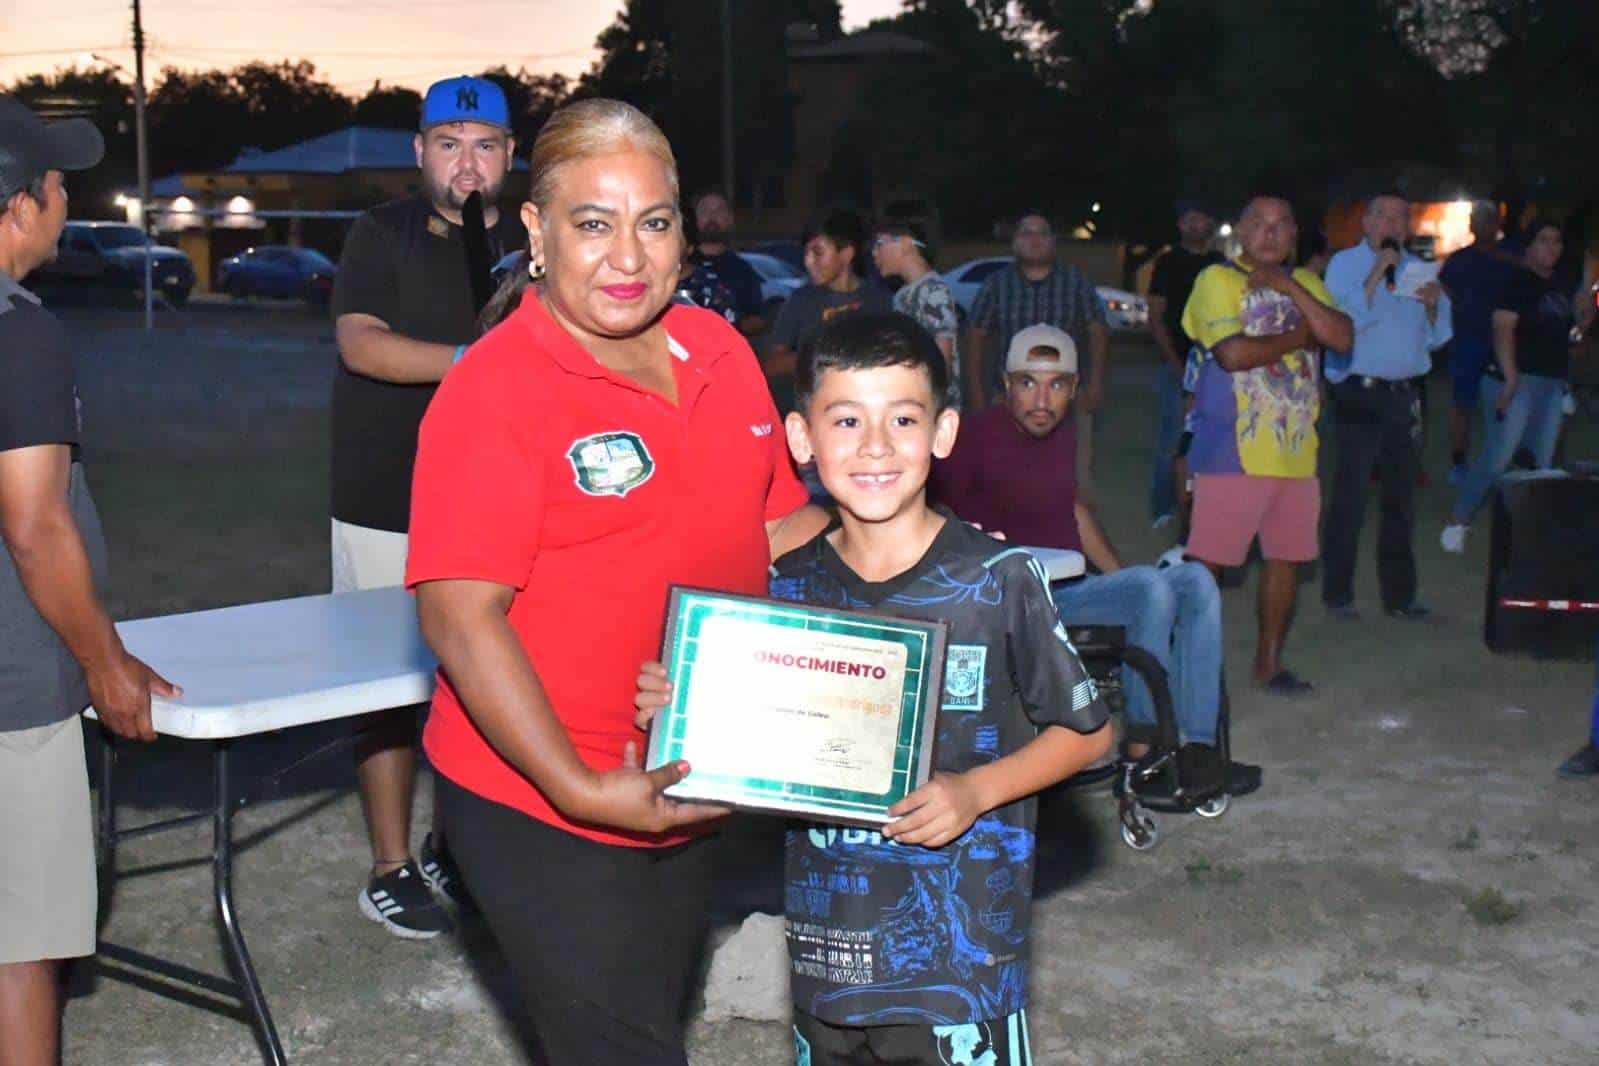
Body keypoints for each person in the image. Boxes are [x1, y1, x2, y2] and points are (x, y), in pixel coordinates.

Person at [406, 99, 827, 1065]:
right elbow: (460, 617)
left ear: (685, 228)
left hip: (687, 769)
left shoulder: (718, 351)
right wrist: (582, 788)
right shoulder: (495, 389)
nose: (627, 255)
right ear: (537, 233)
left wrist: (916, 563)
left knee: (641, 1005)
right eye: (593, 223)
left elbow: (778, 525)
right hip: (542, 800)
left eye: (654, 220)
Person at [634, 310, 1111, 1064]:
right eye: (847, 420)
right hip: (831, 955)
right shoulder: (785, 591)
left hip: (964, 969)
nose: (876, 446)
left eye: (903, 418)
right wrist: (685, 709)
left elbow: (1087, 733)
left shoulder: (995, 579)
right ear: (801, 440)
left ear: (943, 432)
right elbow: (754, 760)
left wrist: (976, 792)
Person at [0, 95, 176, 1066]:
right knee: (21, 949)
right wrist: (103, 661)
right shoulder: (20, 334)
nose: (68, 199)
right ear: (19, 206)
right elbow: (34, 526)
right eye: (60, 183)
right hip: (13, 694)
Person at [329, 75, 526, 936]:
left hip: (495, 502)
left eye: (485, 146)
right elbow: (361, 345)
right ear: (420, 153)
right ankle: (388, 862)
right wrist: (470, 361)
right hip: (385, 496)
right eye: (449, 144)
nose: (467, 164)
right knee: (385, 685)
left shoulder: (528, 245)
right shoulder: (383, 232)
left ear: (510, 157)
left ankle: (459, 846)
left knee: (481, 675)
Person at [932, 324, 1249, 794]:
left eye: (1057, 384)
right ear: (1005, 383)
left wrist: (1128, 580)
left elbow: (1074, 512)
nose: (1042, 400)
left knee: (1195, 580)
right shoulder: (972, 437)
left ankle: (1199, 750)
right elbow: (932, 513)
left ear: (1075, 388)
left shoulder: (1061, 434)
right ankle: (1144, 751)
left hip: (1070, 587)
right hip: (1017, 598)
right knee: (1150, 588)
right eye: (1028, 383)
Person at [1180, 194, 1353, 693]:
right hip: (1231, 447)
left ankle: (1269, 663)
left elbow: (1340, 337)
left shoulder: (1309, 283)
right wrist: (1300, 337)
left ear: (1295, 235)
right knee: (1207, 565)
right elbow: (1233, 354)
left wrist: (1286, 287)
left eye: (1282, 225)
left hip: (1296, 451)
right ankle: (1190, 665)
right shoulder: (1216, 280)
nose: (1270, 234)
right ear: (1241, 230)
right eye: (1259, 224)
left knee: (1287, 560)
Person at [1320, 192, 1451, 621]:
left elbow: (1437, 338)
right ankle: (1338, 595)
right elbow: (1343, 323)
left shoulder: (1419, 269)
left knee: (1401, 499)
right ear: (1368, 223)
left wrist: (1433, 307)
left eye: (1401, 217)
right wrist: (1376, 274)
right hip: (1360, 392)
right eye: (1384, 216)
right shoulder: (1344, 265)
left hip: (1405, 396)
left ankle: (1400, 597)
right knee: (1350, 497)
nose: (1393, 224)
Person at [1441, 219, 1575, 553]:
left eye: (1556, 241)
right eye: (1544, 240)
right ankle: (1459, 521)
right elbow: (1503, 329)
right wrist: (1511, 376)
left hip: (1550, 381)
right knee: (1499, 455)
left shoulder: (1559, 286)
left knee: (1540, 462)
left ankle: (1528, 537)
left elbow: (1564, 335)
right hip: (1513, 380)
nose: (1551, 248)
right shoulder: (1516, 282)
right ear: (1528, 247)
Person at [963, 211, 1109, 499]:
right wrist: (978, 395)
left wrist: (1094, 385)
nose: (1034, 240)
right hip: (1007, 396)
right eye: (1025, 233)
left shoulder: (1075, 281)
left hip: (1067, 396)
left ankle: (1072, 535)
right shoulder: (997, 284)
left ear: (1053, 241)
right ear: (1014, 242)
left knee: (1074, 477)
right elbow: (974, 337)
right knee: (1006, 479)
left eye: (1041, 233)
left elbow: (1098, 330)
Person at [765, 207, 892, 413]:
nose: (808, 262)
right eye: (805, 253)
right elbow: (773, 364)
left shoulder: (879, 301)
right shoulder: (800, 301)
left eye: (818, 252)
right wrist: (824, 355)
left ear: (847, 253)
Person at [1147, 203, 1223, 528]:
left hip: (1218, 366)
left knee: (1213, 440)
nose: (1195, 224)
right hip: (1175, 363)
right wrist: (1176, 364)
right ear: (1180, 225)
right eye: (1189, 219)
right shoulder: (1166, 263)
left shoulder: (1220, 265)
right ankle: (1164, 506)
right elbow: (1155, 316)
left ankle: (1207, 507)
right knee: (1173, 439)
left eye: (1201, 217)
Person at [1439, 201, 1515, 484]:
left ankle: (1501, 462)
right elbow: (1443, 294)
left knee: (1503, 404)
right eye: (1475, 219)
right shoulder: (1458, 260)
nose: (1479, 224)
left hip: (1501, 344)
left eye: (1485, 219)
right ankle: (1459, 462)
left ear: (1496, 224)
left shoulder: (1509, 260)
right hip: (1467, 342)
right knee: (1462, 404)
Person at [872, 216, 961, 405]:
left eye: (879, 244)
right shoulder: (903, 295)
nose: (874, 253)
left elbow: (943, 353)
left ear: (905, 244)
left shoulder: (933, 290)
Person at [684, 188, 767, 334]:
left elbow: (757, 319)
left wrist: (727, 328)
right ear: (694, 219)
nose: (712, 216)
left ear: (730, 219)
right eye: (704, 211)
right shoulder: (679, 265)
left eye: (719, 211)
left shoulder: (743, 270)